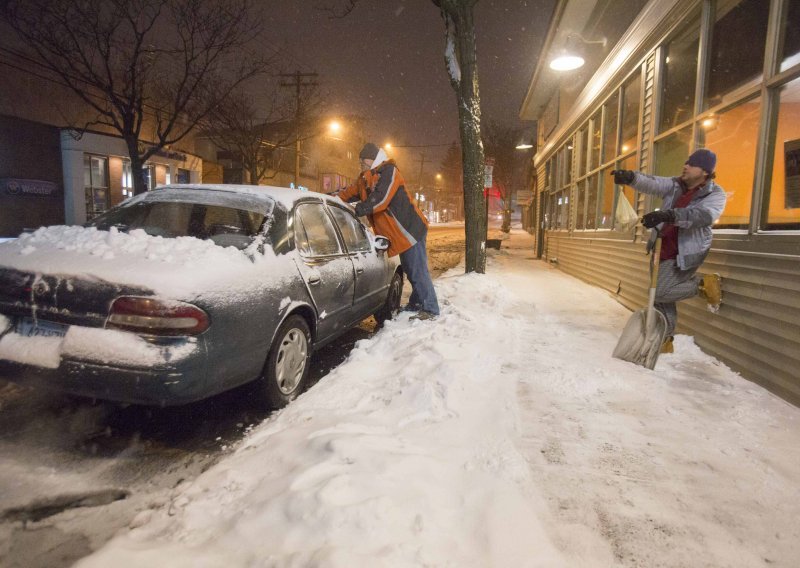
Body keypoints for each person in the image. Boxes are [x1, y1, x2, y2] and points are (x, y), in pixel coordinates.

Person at [611, 149, 726, 353]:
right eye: (686, 162)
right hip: (661, 246)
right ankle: (665, 340)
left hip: (686, 252)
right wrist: (630, 177)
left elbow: (702, 217)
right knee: (660, 296)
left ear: (705, 171)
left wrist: (668, 215)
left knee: (661, 291)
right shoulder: (675, 185)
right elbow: (652, 183)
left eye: (692, 164)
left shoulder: (715, 194)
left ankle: (701, 285)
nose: (685, 166)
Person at [335, 142, 440, 320]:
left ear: (372, 159)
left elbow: (381, 199)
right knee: (410, 268)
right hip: (399, 234)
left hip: (409, 229)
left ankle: (430, 308)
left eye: (363, 160)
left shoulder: (389, 171)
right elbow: (348, 192)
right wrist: (330, 196)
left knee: (417, 270)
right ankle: (416, 303)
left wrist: (359, 209)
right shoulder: (365, 179)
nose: (360, 163)